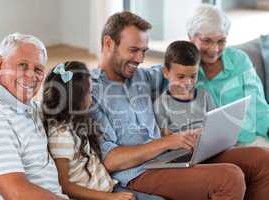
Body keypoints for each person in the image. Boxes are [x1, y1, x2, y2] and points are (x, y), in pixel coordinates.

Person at [91, 10, 269, 200]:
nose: (140, 59)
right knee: (229, 178)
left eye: (144, 51)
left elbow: (181, 66)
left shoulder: (142, 77)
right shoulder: (91, 93)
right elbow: (110, 160)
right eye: (133, 50)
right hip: (139, 172)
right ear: (108, 43)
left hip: (174, 156)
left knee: (262, 159)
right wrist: (167, 141)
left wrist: (206, 46)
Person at [41, 61, 165, 200]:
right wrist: (109, 197)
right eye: (90, 92)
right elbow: (64, 185)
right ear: (76, 99)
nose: (92, 98)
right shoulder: (61, 135)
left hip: (109, 187)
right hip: (100, 195)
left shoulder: (76, 123)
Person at [0, 33, 68, 200]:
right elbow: (18, 194)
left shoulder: (30, 109)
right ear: (0, 64)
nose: (31, 75)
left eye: (38, 69)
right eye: (22, 65)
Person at [187, 4, 269, 146]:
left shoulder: (239, 60)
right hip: (210, 146)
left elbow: (258, 105)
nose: (214, 49)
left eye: (221, 41)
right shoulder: (182, 68)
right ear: (190, 37)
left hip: (248, 139)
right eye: (206, 41)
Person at [153, 40, 216, 137]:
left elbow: (215, 123)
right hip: (184, 149)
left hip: (209, 142)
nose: (188, 82)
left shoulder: (204, 95)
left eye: (193, 76)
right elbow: (167, 139)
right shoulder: (160, 105)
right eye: (181, 77)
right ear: (166, 72)